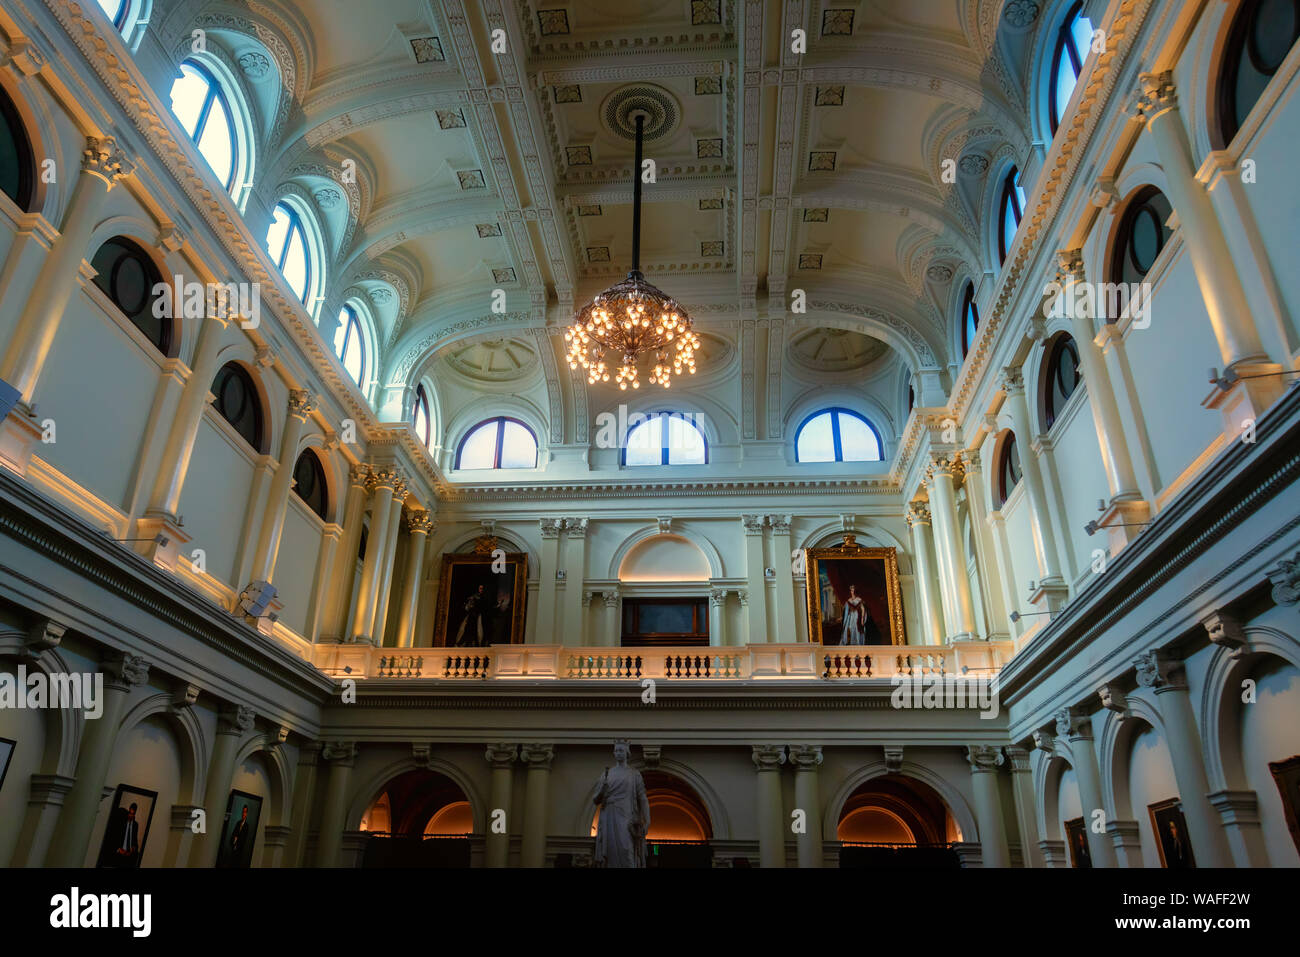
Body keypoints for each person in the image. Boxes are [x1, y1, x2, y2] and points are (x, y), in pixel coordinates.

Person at [593, 740, 650, 868]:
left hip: (626, 816)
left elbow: (642, 798)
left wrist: (647, 820)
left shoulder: (634, 774)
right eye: (617, 751)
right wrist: (602, 791)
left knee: (627, 850)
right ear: (614, 753)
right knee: (611, 850)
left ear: (627, 753)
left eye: (621, 751)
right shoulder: (607, 775)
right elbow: (595, 800)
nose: (619, 753)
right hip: (609, 815)